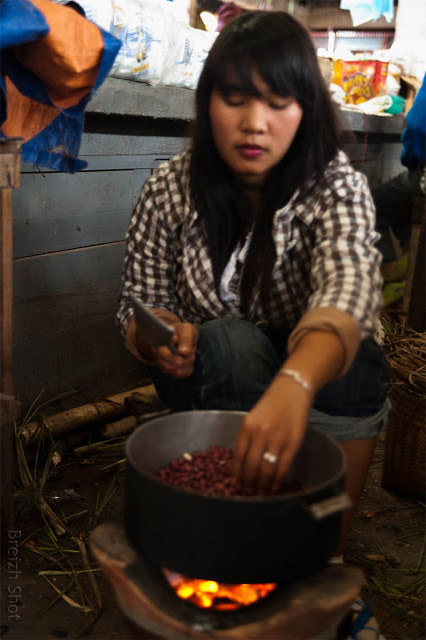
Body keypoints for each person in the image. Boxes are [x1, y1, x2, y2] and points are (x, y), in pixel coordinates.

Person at [117, 10, 388, 554]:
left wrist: (295, 384)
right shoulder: (169, 188)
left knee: (355, 360)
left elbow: (347, 292)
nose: (255, 123)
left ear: (306, 109)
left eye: (278, 101)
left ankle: (322, 554)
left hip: (316, 376)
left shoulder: (336, 185)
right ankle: (236, 534)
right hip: (213, 373)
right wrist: (161, 336)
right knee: (231, 341)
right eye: (235, 98)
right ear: (206, 102)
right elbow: (138, 304)